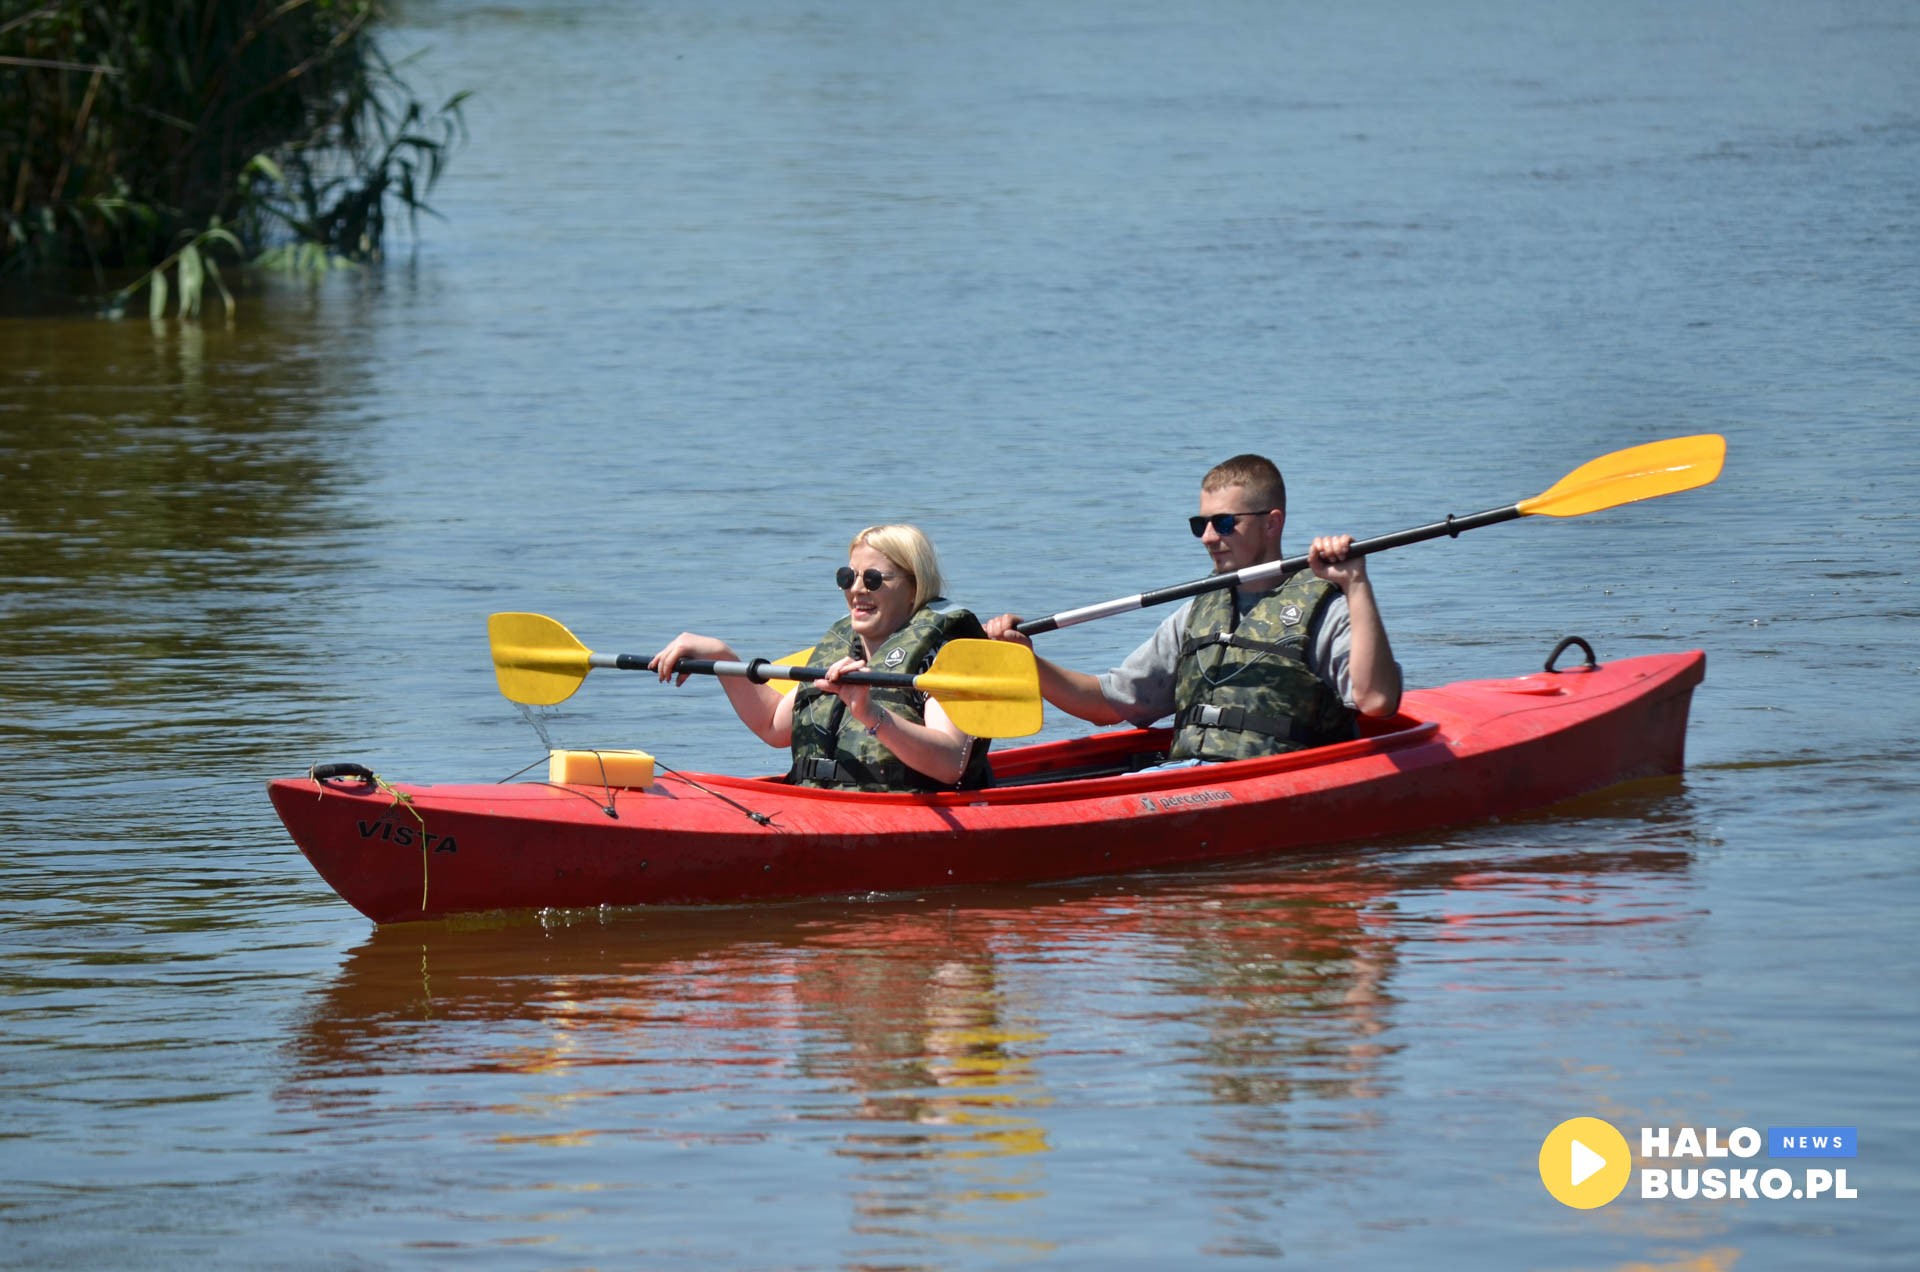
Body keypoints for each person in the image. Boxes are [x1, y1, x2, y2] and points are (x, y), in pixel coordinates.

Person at [984, 454, 1402, 763]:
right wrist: (1027, 662)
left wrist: (1356, 583)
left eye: (1223, 524)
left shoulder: (1324, 607)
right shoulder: (1195, 614)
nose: (1206, 537)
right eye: (1198, 524)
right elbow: (1106, 705)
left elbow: (1377, 700)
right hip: (1185, 778)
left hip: (1270, 782)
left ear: (1271, 523)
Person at [649, 524, 995, 792]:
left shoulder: (944, 653)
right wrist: (720, 656)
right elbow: (773, 725)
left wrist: (870, 713)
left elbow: (951, 761)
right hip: (823, 803)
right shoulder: (843, 648)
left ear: (913, 587)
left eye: (872, 579)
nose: (856, 589)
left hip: (910, 808)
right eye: (848, 577)